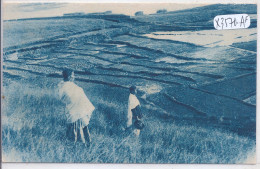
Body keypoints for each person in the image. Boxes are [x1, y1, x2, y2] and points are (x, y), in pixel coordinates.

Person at [58, 69, 95, 146]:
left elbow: (63, 98)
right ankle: (81, 144)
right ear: (69, 77)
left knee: (74, 128)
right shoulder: (74, 87)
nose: (74, 77)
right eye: (73, 75)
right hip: (79, 111)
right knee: (79, 128)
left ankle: (75, 144)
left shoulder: (61, 86)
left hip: (73, 111)